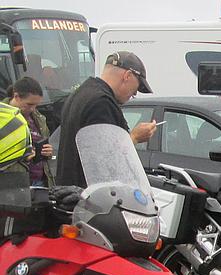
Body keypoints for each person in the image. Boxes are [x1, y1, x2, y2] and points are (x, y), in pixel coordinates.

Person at [56, 51, 157, 187]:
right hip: (88, 197)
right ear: (127, 76)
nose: (134, 94)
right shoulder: (101, 103)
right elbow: (104, 159)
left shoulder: (80, 94)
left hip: (70, 192)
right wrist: (134, 137)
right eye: (136, 88)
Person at [3, 77, 53, 186]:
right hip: (12, 185)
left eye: (36, 105)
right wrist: (22, 156)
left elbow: (44, 142)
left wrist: (47, 152)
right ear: (16, 96)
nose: (33, 109)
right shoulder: (3, 118)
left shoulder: (39, 118)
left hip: (40, 181)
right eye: (29, 104)